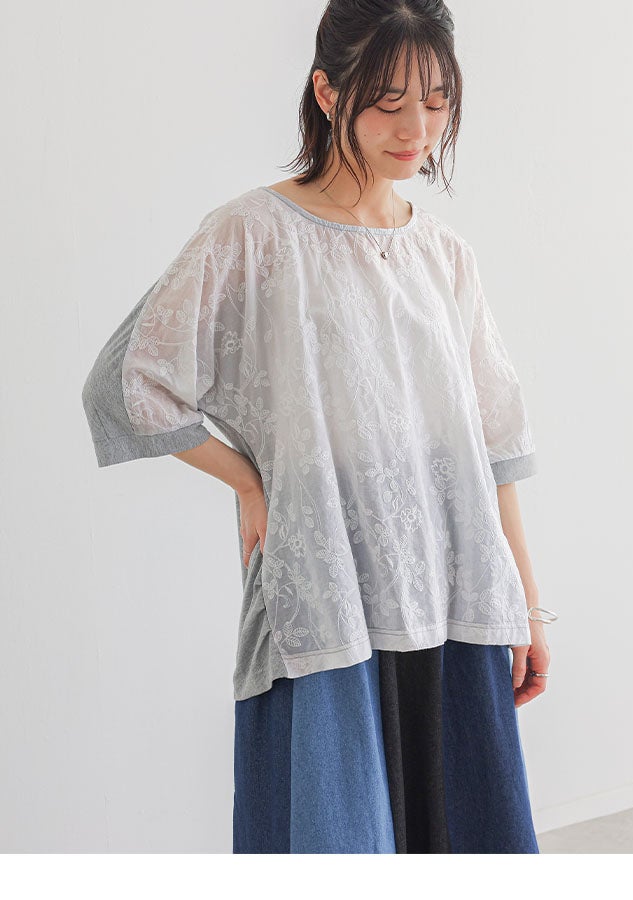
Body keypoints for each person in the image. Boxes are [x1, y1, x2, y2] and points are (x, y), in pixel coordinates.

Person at [81, 0, 557, 854]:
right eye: (389, 102)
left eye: (437, 101)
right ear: (329, 93)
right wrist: (248, 480)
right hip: (328, 594)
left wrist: (527, 602)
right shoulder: (254, 233)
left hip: (454, 595)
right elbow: (128, 381)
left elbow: (493, 444)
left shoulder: (444, 255)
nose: (417, 130)